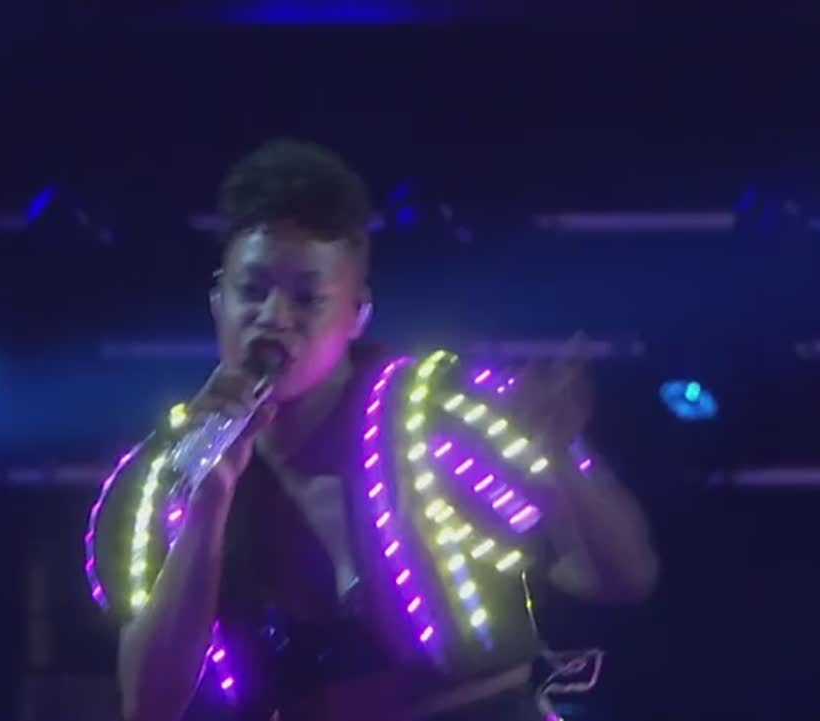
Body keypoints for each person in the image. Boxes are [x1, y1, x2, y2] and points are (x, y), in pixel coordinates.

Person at [85, 139, 659, 721]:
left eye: (307, 298)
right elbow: (149, 706)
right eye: (253, 292)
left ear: (357, 312)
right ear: (217, 300)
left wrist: (560, 463)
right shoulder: (165, 476)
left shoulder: (439, 417)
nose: (274, 317)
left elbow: (623, 578)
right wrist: (208, 504)